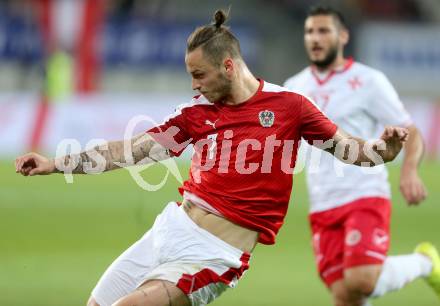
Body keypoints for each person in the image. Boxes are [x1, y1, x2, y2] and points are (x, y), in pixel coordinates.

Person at [16, 9, 409, 306]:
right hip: (166, 233)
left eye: (199, 75)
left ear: (227, 66)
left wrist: (383, 151)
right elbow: (130, 151)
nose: (194, 84)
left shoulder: (290, 107)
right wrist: (57, 163)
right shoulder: (196, 113)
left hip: (213, 256)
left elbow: (348, 148)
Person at [284, 5, 440, 306]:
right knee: (345, 295)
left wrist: (409, 170)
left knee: (362, 280)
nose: (315, 38)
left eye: (323, 31)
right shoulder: (295, 87)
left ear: (343, 36)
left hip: (364, 194)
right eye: (309, 31)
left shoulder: (369, 81)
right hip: (322, 204)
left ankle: (425, 262)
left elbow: (411, 131)